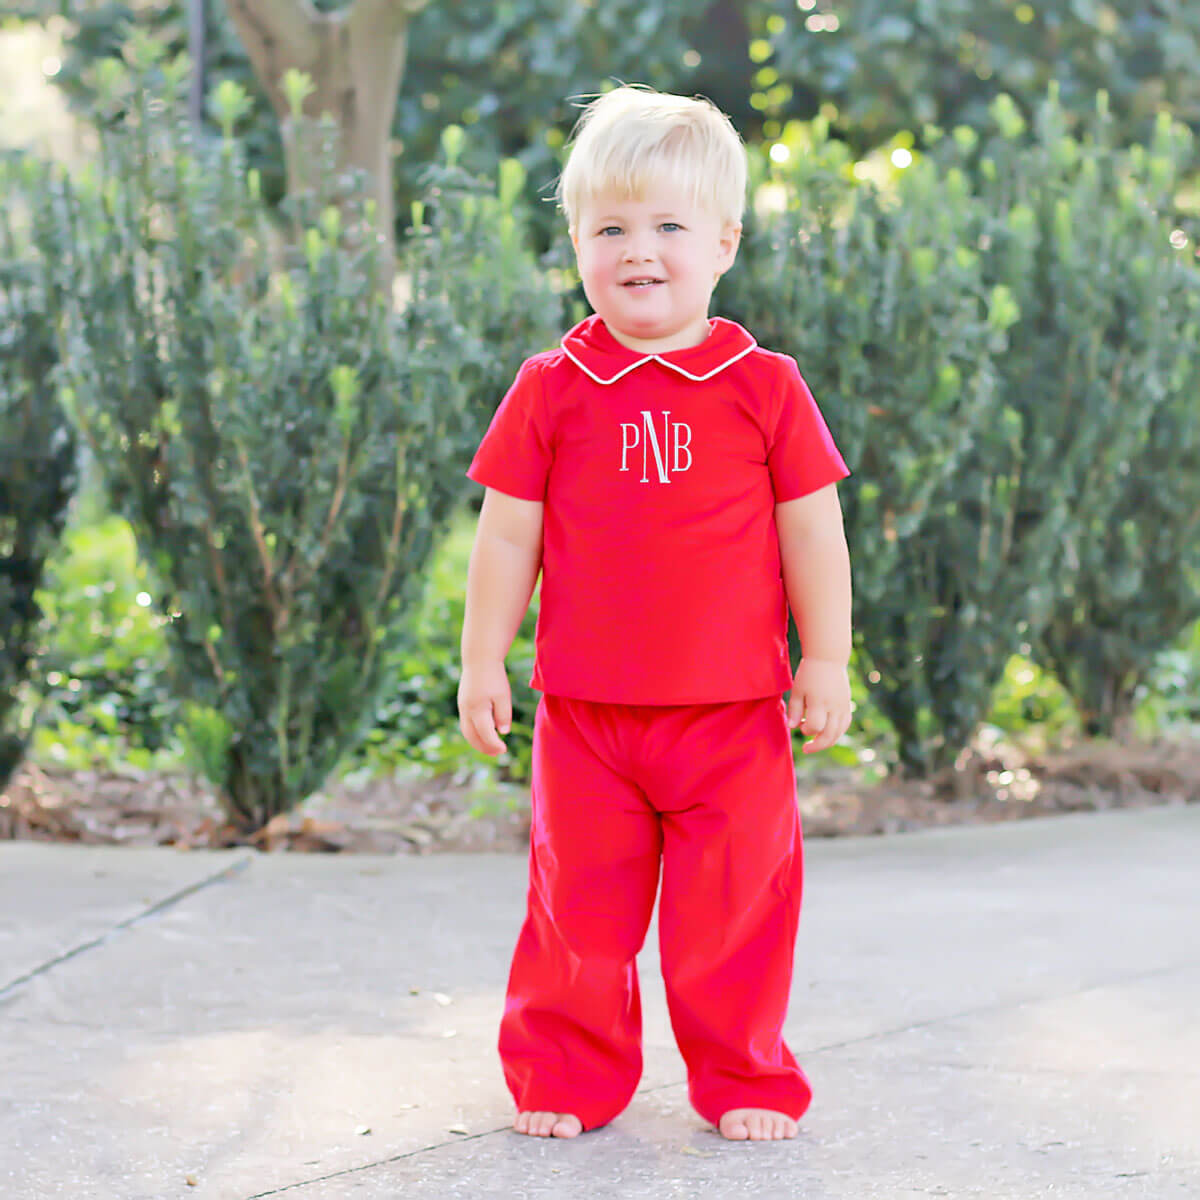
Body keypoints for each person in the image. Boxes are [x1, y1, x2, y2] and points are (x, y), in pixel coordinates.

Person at [457, 84, 852, 1143]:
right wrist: (483, 661)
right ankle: (565, 1071)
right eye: (612, 229)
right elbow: (508, 536)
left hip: (733, 717)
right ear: (576, 244)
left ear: (724, 243)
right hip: (589, 719)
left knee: (736, 913)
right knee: (576, 911)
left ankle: (746, 1076)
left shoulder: (765, 386)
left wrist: (827, 659)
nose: (640, 249)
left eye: (670, 226)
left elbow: (813, 533)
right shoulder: (552, 386)